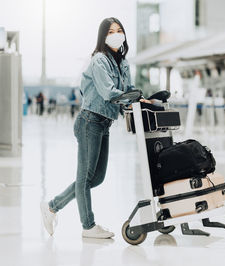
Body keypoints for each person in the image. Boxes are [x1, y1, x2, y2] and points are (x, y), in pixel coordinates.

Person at [40, 17, 150, 239]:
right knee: (85, 177)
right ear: (103, 36)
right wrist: (132, 97)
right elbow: (109, 92)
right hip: (90, 121)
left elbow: (127, 90)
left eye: (120, 30)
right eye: (111, 32)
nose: (117, 34)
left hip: (104, 122)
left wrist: (140, 99)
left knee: (96, 178)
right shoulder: (99, 60)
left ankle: (52, 206)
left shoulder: (123, 63)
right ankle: (88, 226)